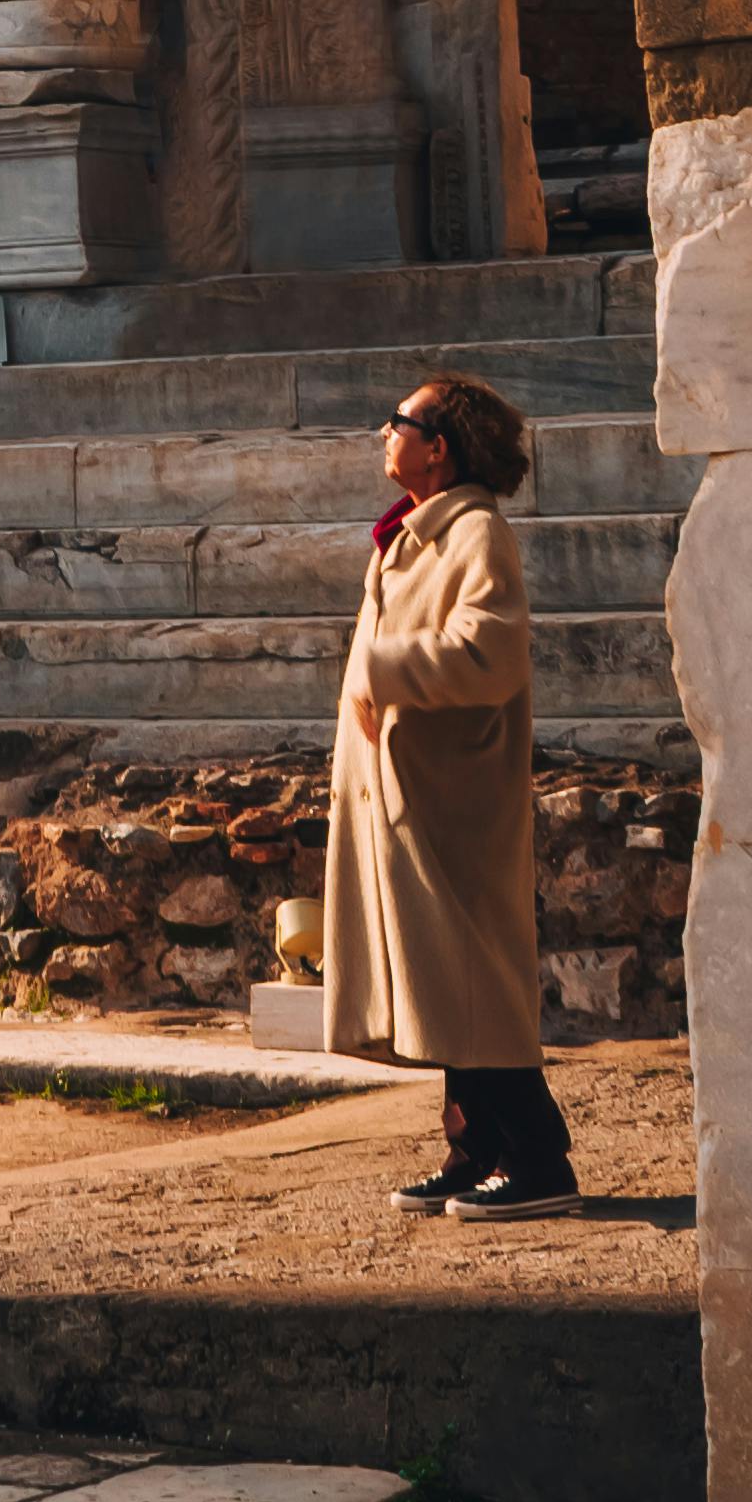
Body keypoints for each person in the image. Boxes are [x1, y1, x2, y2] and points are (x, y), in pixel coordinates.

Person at [317, 364, 577, 1215]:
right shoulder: (411, 534)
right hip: (411, 796)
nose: (384, 434)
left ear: (439, 447)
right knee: (442, 983)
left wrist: (381, 671)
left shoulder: (475, 535)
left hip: (455, 801)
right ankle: (475, 1150)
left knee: (474, 980)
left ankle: (539, 1162)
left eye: (399, 422)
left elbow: (490, 651)